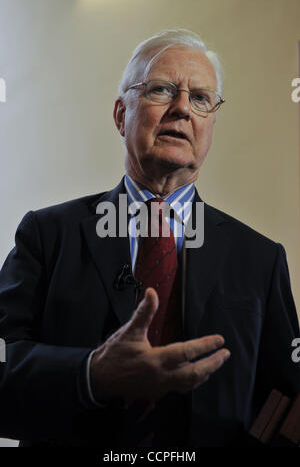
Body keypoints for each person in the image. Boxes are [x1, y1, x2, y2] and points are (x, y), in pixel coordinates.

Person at [0, 29, 299, 448]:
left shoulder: (261, 260)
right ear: (122, 115)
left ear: (211, 122)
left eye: (200, 98)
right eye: (161, 89)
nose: (182, 108)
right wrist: (90, 374)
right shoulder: (47, 236)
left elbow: (286, 399)